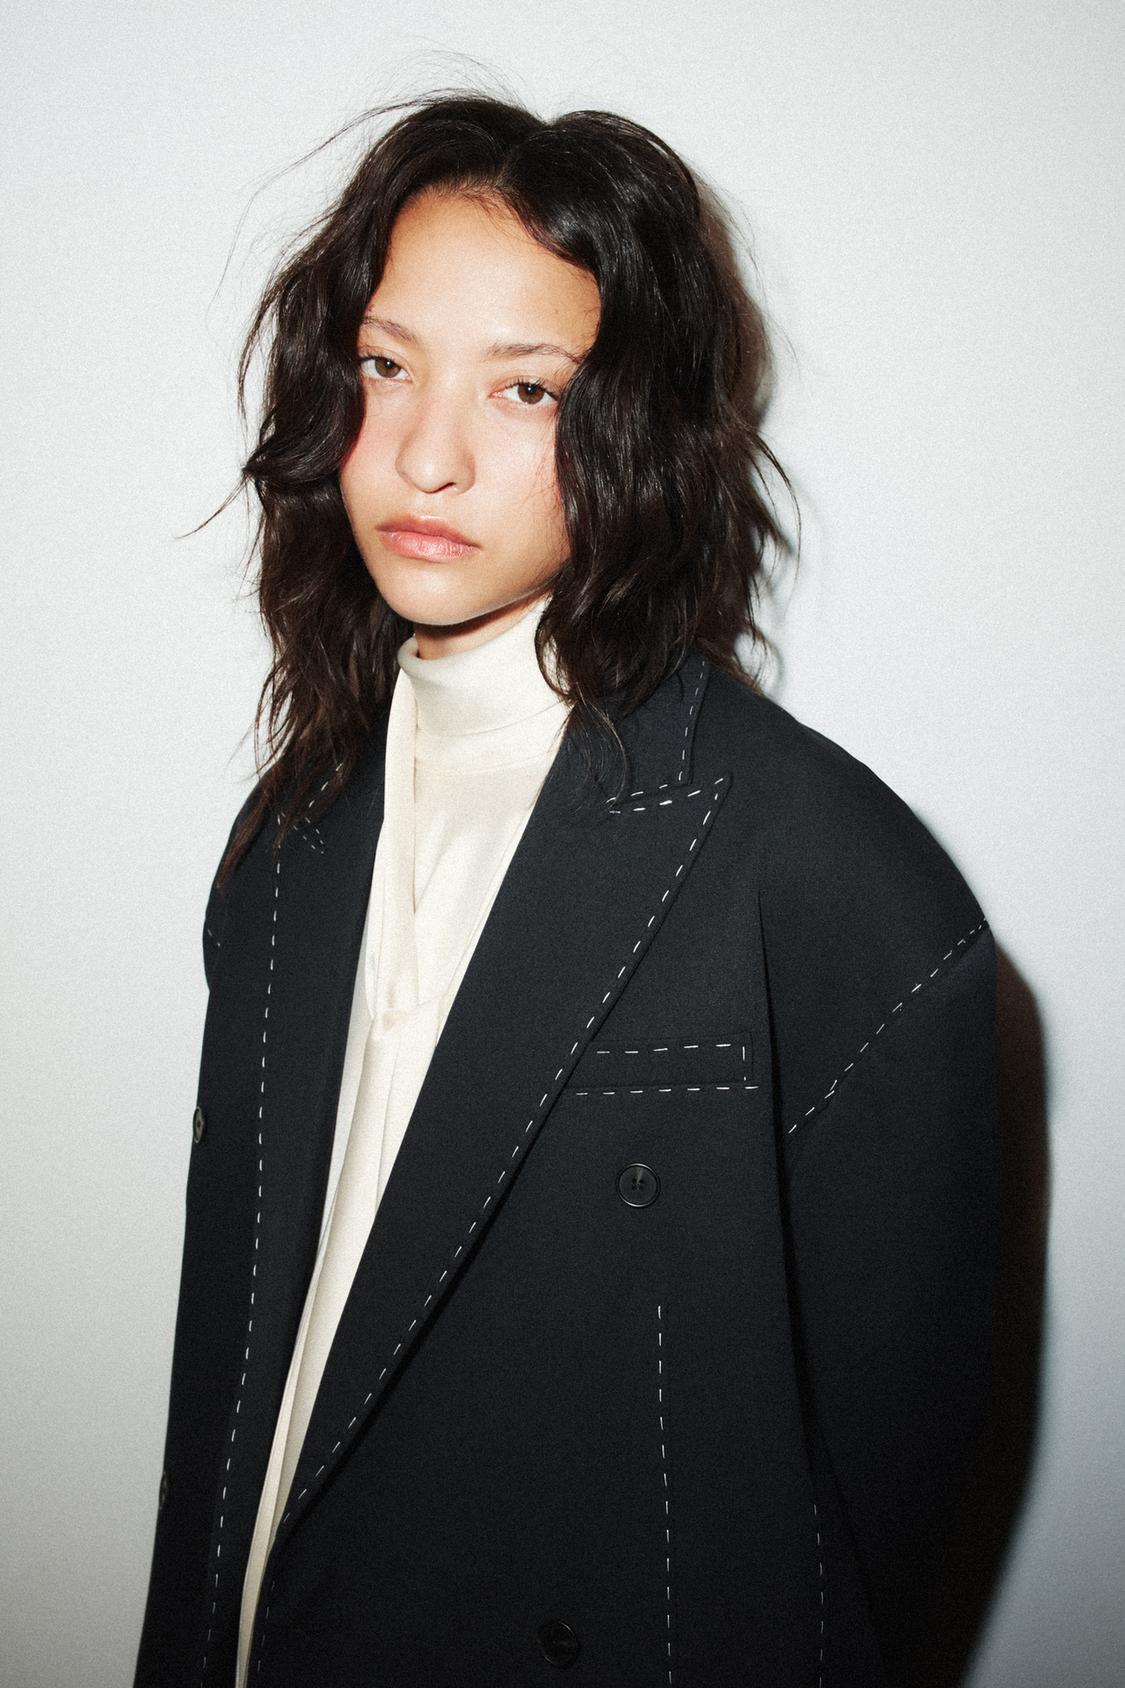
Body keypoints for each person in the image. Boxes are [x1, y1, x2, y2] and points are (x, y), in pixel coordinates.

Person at [135, 90, 1000, 1688]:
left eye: (524, 387)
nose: (426, 453)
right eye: (386, 366)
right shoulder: (288, 846)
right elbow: (243, 1406)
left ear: (638, 424)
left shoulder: (826, 876)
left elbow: (881, 1514)